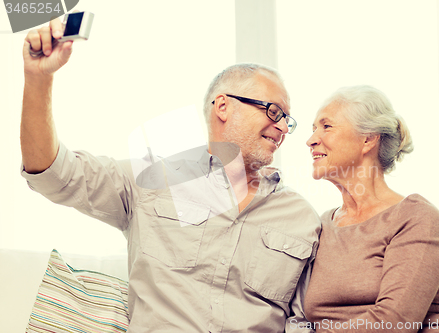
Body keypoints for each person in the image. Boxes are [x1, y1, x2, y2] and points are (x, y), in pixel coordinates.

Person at [20, 18, 321, 332]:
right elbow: (54, 174)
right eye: (274, 112)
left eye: (288, 120)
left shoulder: (302, 220)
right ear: (223, 107)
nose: (285, 128)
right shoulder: (151, 179)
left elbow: (304, 322)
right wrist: (38, 79)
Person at [302, 85, 439, 332]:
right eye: (313, 129)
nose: (310, 140)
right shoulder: (322, 224)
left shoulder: (415, 216)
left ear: (368, 139)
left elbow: (394, 321)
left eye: (326, 126)